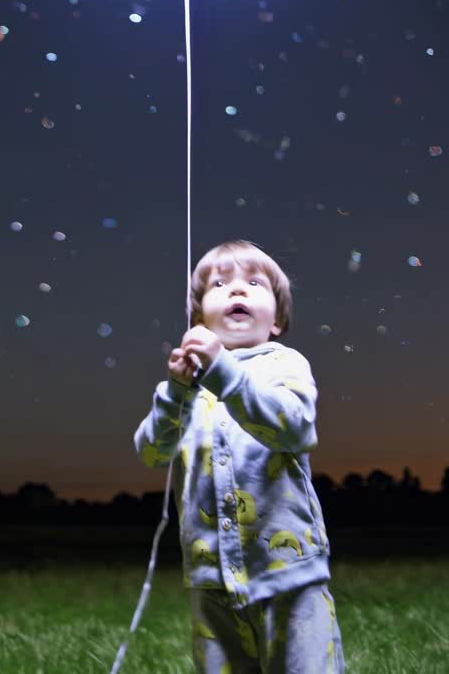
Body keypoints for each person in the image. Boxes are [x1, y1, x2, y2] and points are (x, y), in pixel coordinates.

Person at [134, 239, 345, 673]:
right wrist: (175, 391)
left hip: (289, 574)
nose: (237, 291)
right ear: (198, 318)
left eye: (254, 283)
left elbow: (295, 426)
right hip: (211, 580)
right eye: (219, 284)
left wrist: (223, 371)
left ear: (278, 320)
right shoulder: (183, 387)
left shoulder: (284, 364)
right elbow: (151, 452)